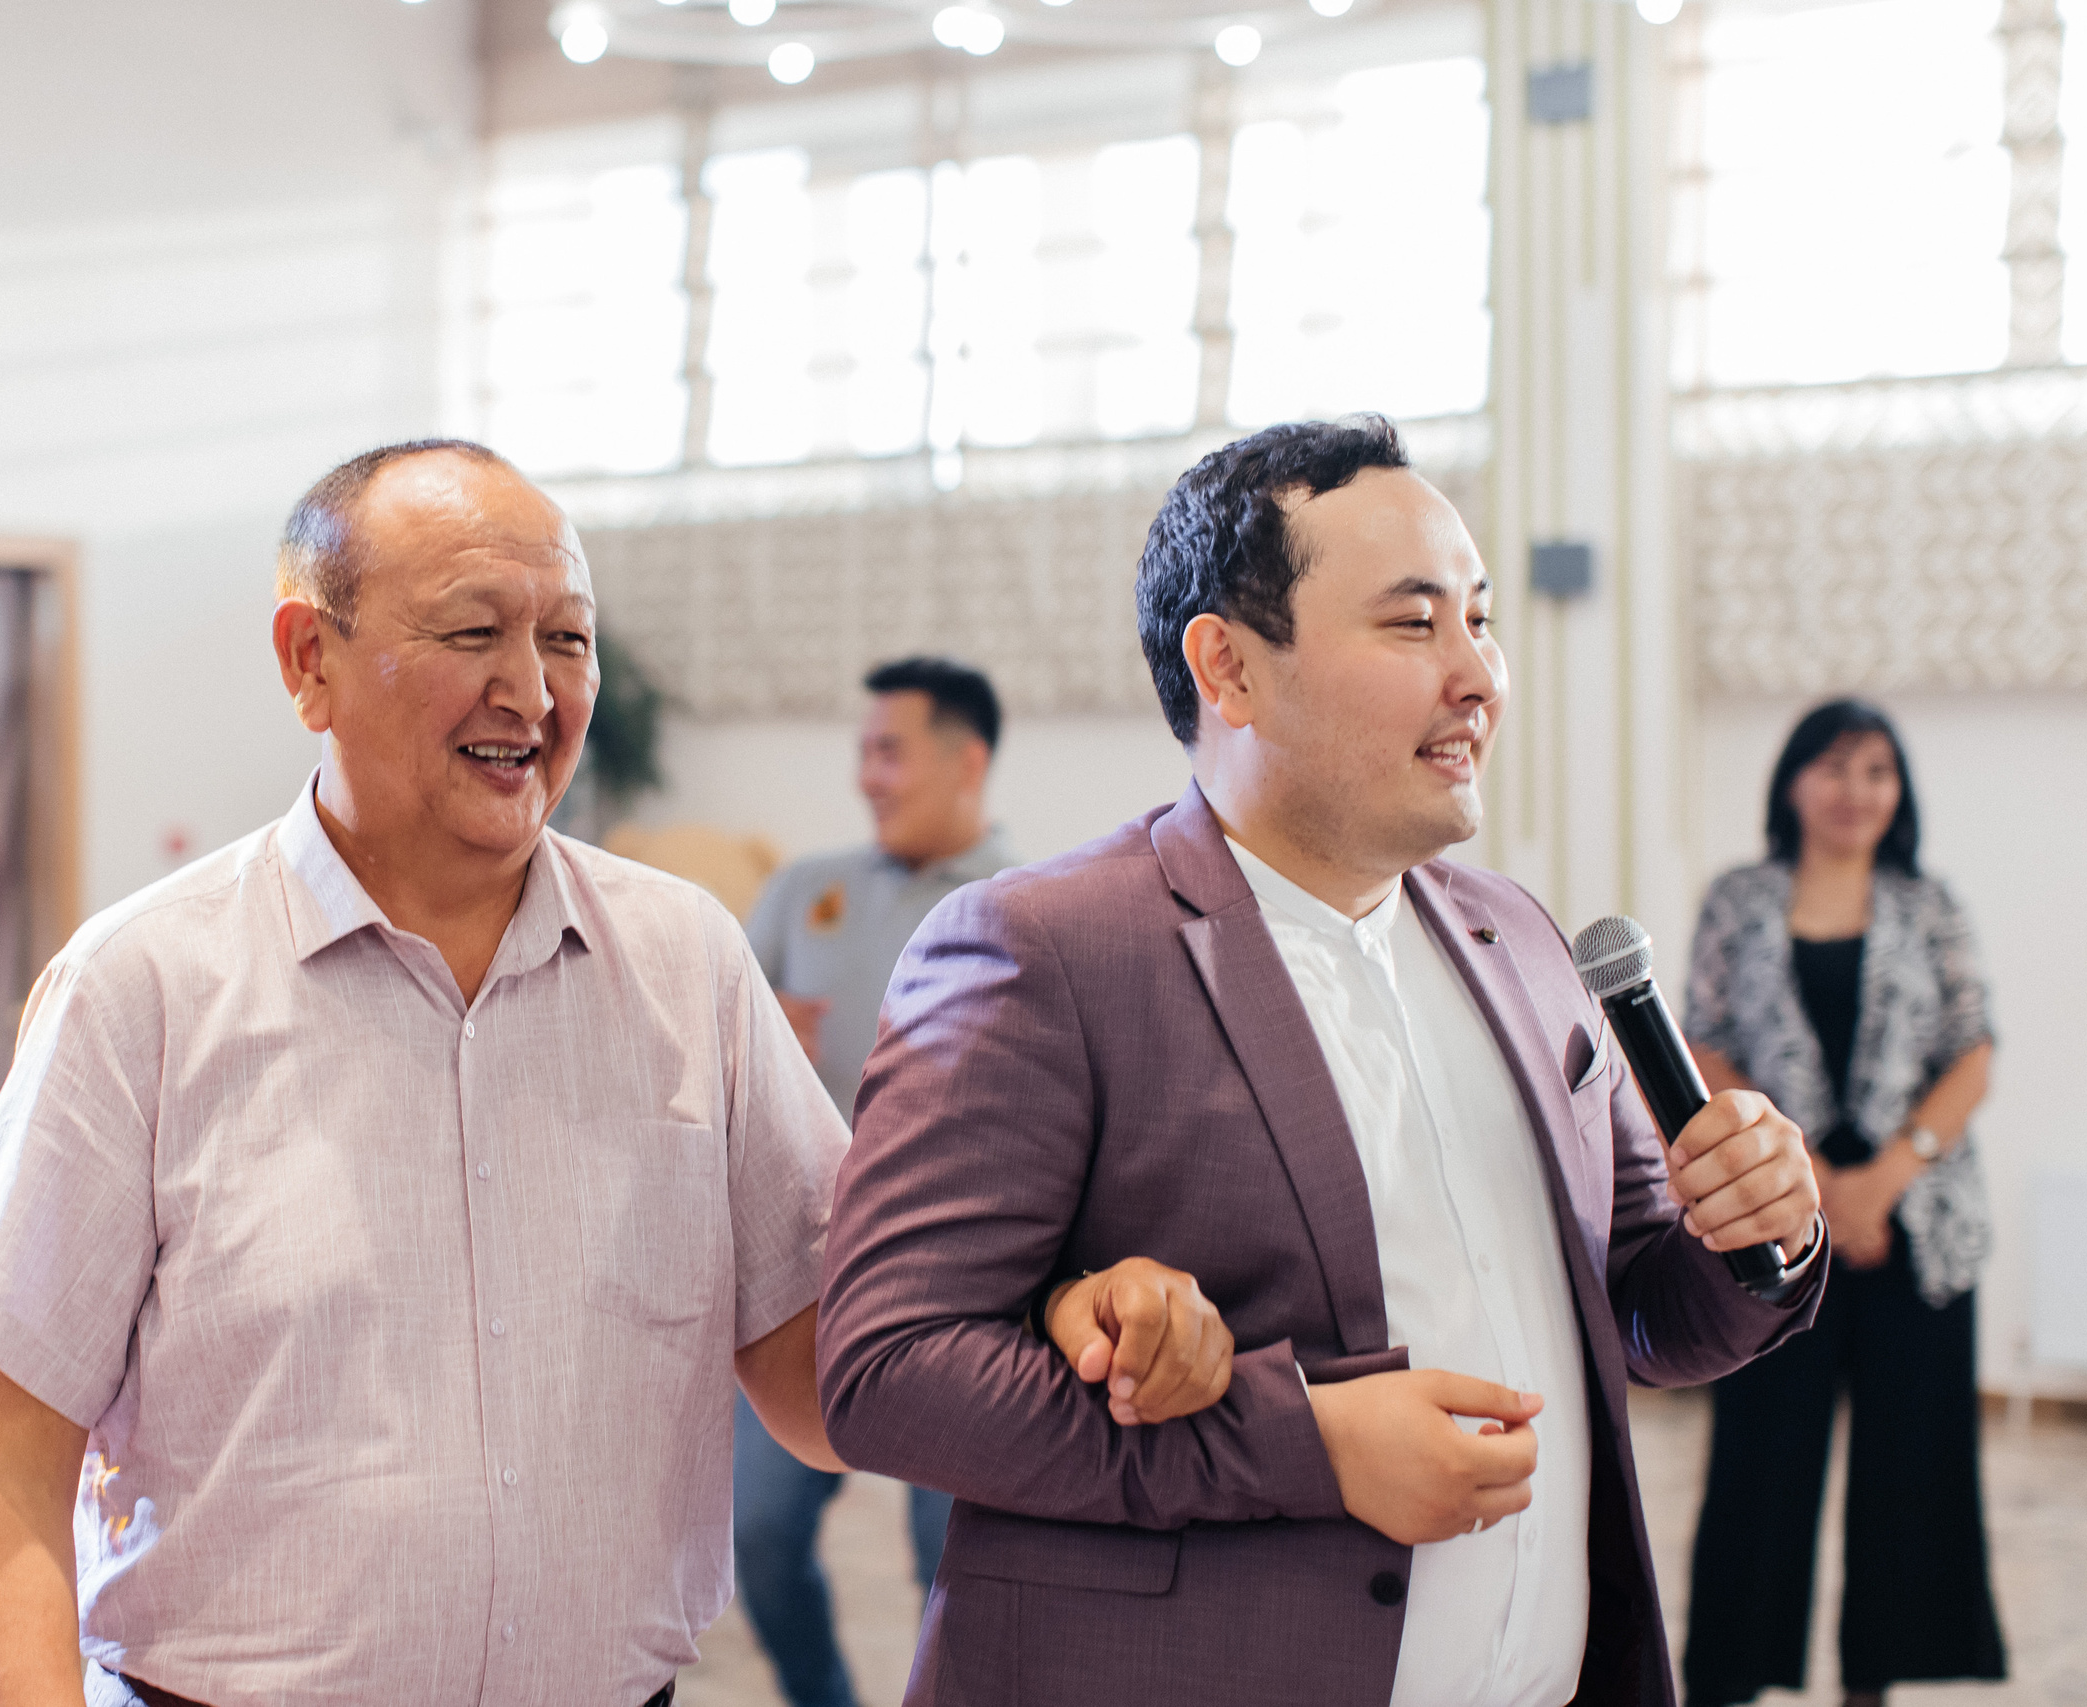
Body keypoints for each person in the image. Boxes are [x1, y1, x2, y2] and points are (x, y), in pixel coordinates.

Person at [0, 439, 1181, 1707]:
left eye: (567, 640)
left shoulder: (684, 963)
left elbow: (824, 1374)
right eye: (473, 633)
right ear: (310, 661)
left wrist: (1062, 1312)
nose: (532, 690)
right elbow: (1, 1460)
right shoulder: (144, 987)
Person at [817, 417, 1831, 1706]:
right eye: (1414, 627)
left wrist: (1756, 1237)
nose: (1477, 677)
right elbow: (887, 1374)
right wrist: (1305, 1444)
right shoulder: (1046, 952)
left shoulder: (1511, 935)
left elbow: (1633, 1302)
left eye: (1482, 620)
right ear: (1229, 669)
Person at [1678, 699, 2005, 1707]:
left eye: (1876, 770)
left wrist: (1879, 1185)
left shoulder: (1928, 903)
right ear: (1790, 783)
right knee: (1759, 1463)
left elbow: (1972, 1053)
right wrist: (1817, 1185)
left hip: (1917, 1226)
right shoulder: (1737, 898)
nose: (1854, 790)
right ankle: (1731, 1675)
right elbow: (1704, 1042)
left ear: (1896, 791)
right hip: (1774, 1225)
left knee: (1911, 1475)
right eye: (1832, 767)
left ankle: (1876, 1679)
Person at [737, 657, 1016, 1707]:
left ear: (967, 760)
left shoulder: (1026, 904)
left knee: (956, 1559)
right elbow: (709, 1028)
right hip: (801, 1272)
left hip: (965, 1287)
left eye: (889, 750)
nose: (869, 776)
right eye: (862, 752)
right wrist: (760, 1011)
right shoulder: (808, 890)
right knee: (758, 1534)